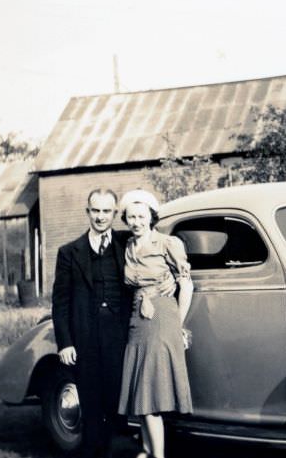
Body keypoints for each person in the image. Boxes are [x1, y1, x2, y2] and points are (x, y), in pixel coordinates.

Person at [52, 188, 133, 458]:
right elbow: (60, 302)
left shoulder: (127, 243)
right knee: (90, 403)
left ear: (115, 213)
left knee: (116, 403)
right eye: (95, 211)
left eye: (106, 211)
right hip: (85, 339)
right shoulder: (69, 252)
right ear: (87, 212)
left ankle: (112, 450)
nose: (100, 217)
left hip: (119, 338)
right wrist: (65, 343)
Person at [116, 189, 194, 458]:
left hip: (162, 316)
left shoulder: (167, 244)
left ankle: (157, 456)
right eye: (131, 217)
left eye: (141, 216)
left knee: (150, 394)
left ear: (151, 217)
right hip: (138, 317)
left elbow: (186, 285)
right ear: (126, 220)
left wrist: (177, 324)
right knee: (142, 389)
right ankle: (147, 450)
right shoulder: (127, 247)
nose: (136, 221)